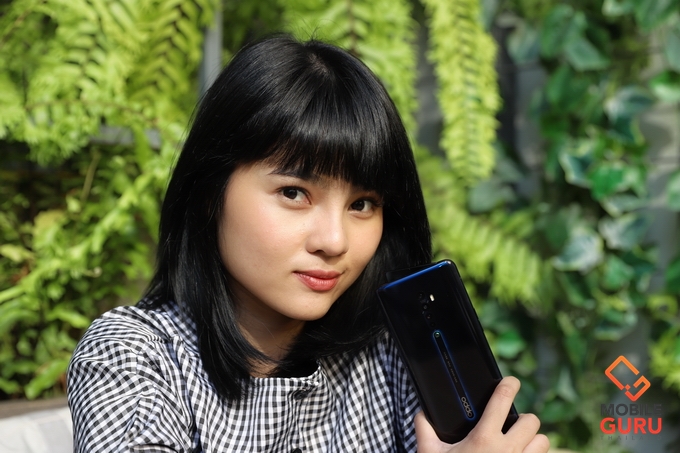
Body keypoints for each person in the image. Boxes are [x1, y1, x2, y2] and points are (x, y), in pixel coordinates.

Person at [67, 34, 550, 453]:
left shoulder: (396, 357)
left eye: (362, 204)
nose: (334, 241)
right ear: (211, 192)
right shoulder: (134, 357)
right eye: (294, 194)